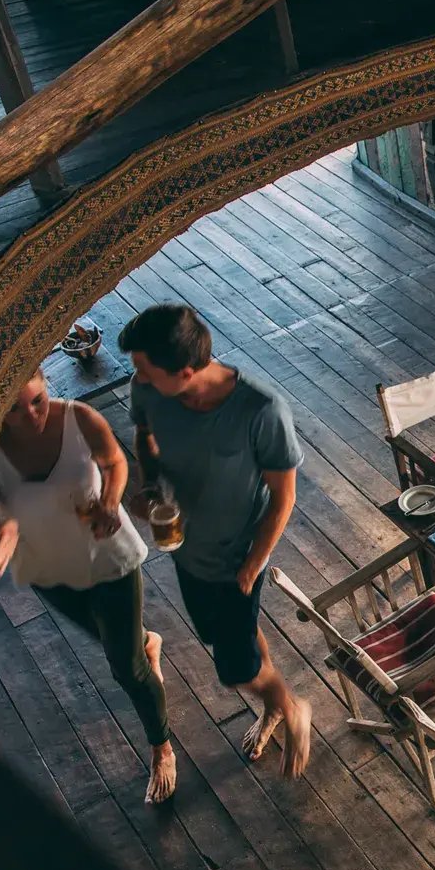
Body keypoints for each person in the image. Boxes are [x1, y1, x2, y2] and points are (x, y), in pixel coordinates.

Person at [118, 303, 311, 778]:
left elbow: (284, 497)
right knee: (227, 636)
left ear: (185, 372)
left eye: (144, 368)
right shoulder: (149, 389)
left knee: (236, 670)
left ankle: (291, 708)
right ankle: (272, 704)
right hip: (187, 551)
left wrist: (252, 566)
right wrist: (147, 484)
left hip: (236, 559)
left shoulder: (261, 410)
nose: (136, 377)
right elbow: (143, 434)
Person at [0, 368, 176, 804]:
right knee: (114, 639)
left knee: (126, 669)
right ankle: (146, 640)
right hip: (49, 570)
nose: (30, 416)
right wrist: (2, 533)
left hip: (108, 558)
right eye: (13, 409)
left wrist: (108, 500)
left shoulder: (79, 417)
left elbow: (115, 463)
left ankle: (161, 746)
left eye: (37, 401)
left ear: (47, 385)